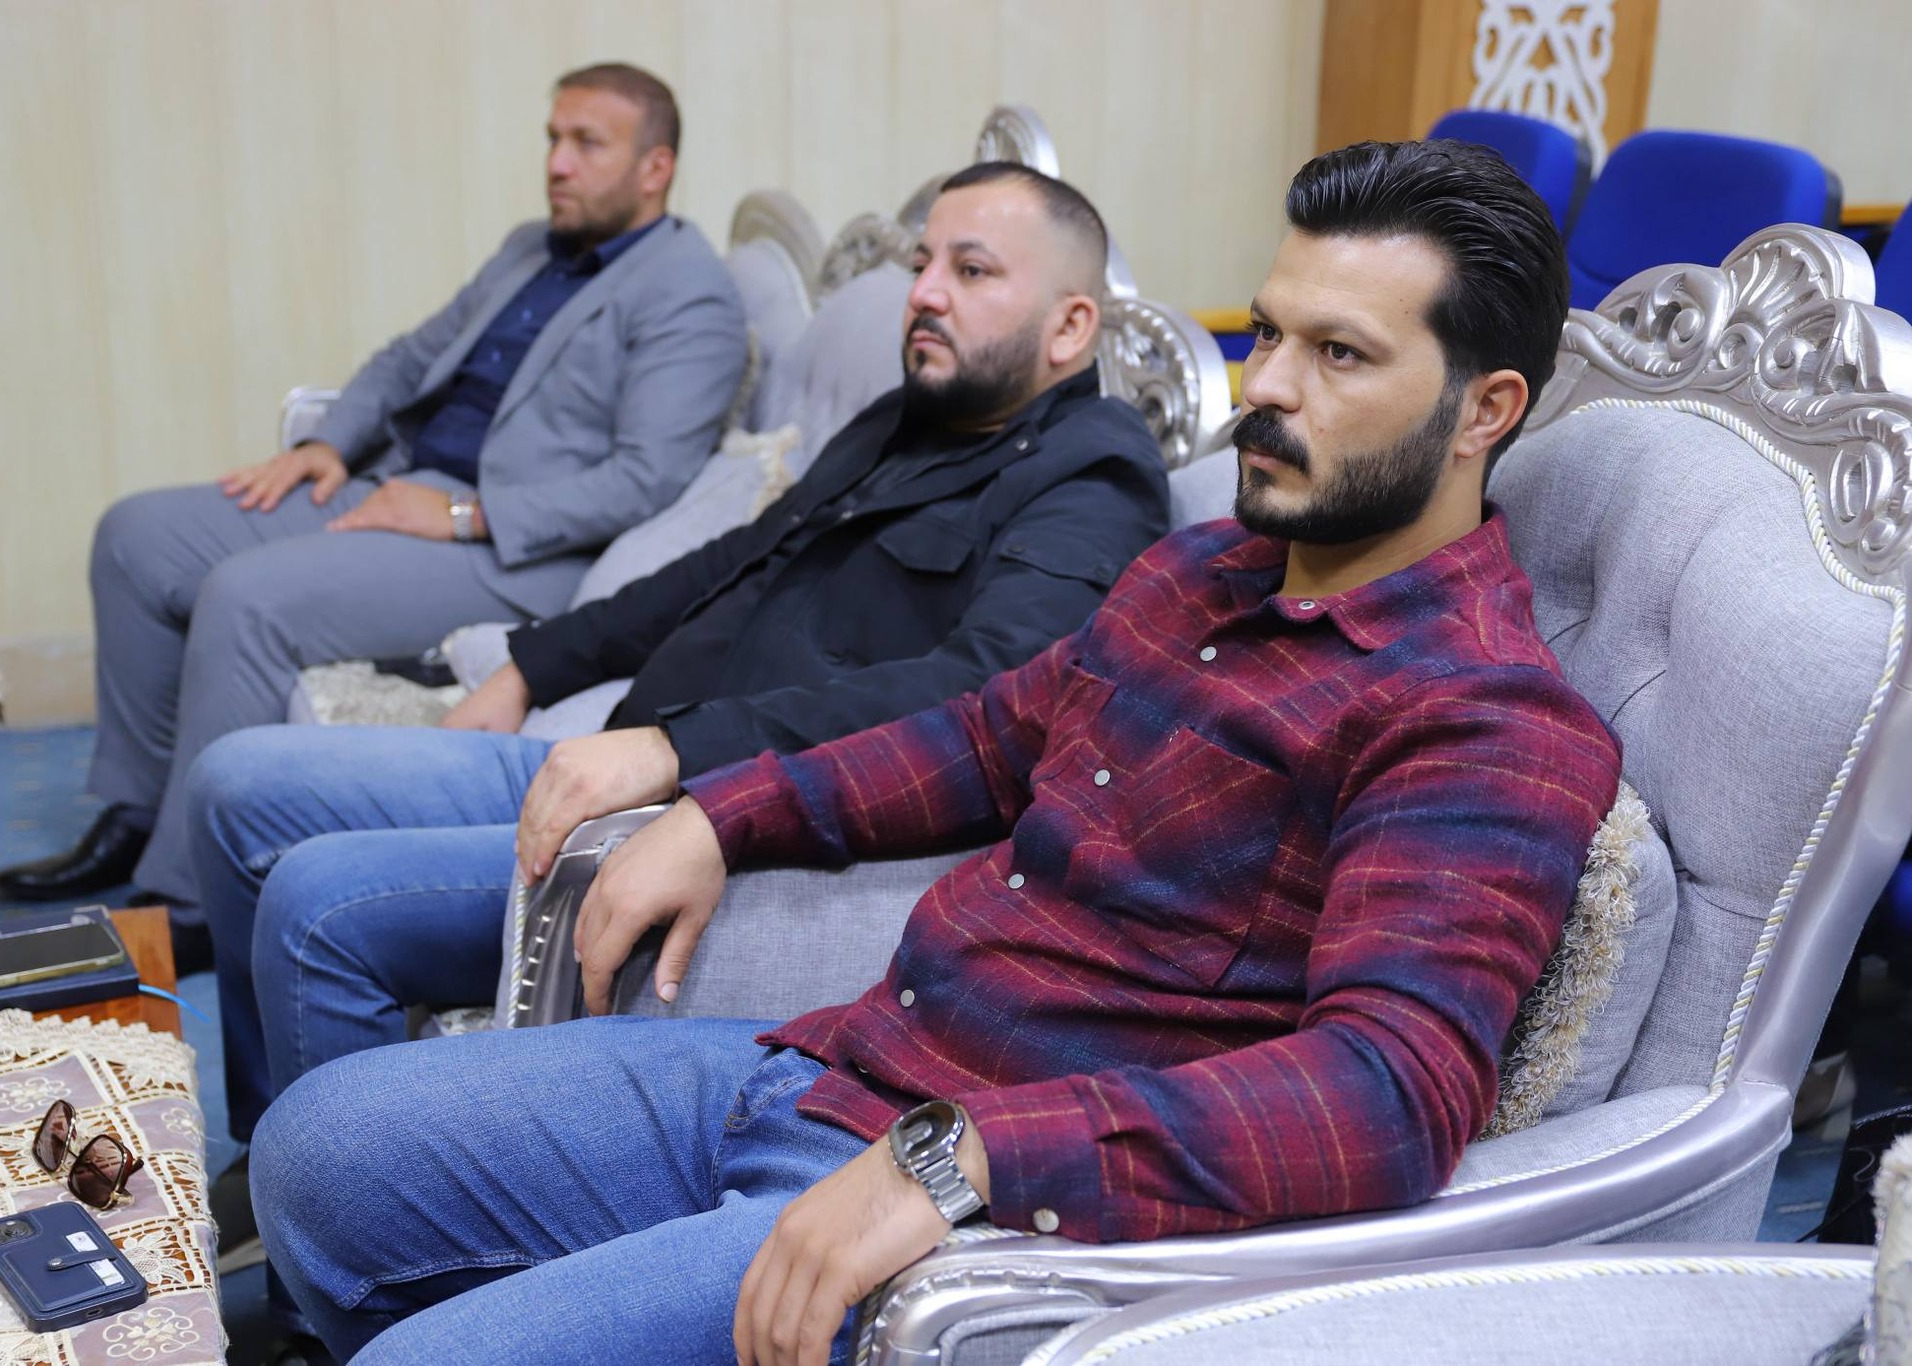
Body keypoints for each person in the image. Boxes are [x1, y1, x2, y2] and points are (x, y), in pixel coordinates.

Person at [251, 138, 1623, 1366]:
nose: (1261, 387)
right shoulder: (1201, 568)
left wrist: (970, 1153)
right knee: (315, 1155)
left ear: (1484, 409)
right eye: (1266, 332)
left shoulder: (1481, 714)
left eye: (1339, 355)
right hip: (838, 1064)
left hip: (977, 1213)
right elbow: (983, 736)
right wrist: (724, 811)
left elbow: (1386, 1093)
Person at [186, 161, 1167, 1260]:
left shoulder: (1093, 479)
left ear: (1070, 325)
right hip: (622, 748)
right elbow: (731, 562)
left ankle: (310, 1260)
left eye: (971, 271)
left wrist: (678, 751)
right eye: (922, 262)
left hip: (697, 803)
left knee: (319, 903)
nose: (925, 292)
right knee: (235, 783)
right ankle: (266, 1163)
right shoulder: (911, 418)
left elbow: (979, 701)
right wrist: (530, 665)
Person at [0, 63, 750, 947]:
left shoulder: (691, 292)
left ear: (656, 168)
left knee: (246, 599)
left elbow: (646, 478)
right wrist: (328, 443)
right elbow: (408, 358)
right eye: (553, 138)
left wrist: (465, 517)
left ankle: (186, 904)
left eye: (588, 144)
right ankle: (136, 812)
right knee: (136, 538)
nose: (557, 162)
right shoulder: (530, 249)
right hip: (403, 483)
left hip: (513, 552)